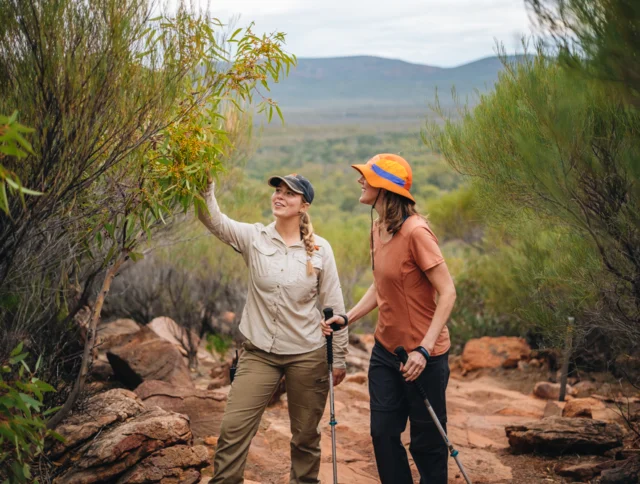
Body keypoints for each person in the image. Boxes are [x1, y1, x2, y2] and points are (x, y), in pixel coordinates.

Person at [198, 174, 348, 484]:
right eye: (277, 191)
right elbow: (213, 220)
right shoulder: (254, 238)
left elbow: (334, 306)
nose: (279, 196)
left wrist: (341, 357)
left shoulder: (320, 250)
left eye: (289, 194)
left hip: (307, 355)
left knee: (305, 437)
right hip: (259, 353)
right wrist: (206, 188)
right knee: (233, 430)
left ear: (303, 205)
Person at [321, 154, 456, 484]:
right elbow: (380, 283)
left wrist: (423, 351)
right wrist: (347, 317)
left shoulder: (417, 232)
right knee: (382, 434)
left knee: (427, 445)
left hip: (425, 357)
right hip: (386, 353)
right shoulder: (377, 226)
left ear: (384, 188)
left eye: (366, 177)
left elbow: (448, 292)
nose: (360, 181)